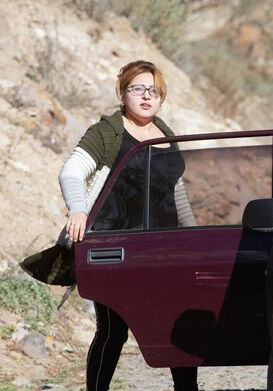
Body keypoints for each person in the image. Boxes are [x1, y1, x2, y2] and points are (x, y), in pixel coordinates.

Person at [58, 60, 198, 391]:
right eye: (138, 88)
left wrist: (193, 236)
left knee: (174, 321)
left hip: (164, 249)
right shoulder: (108, 132)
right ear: (123, 93)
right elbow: (72, 172)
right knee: (113, 329)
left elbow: (175, 190)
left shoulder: (164, 132)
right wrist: (77, 210)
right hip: (116, 248)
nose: (147, 96)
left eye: (154, 90)